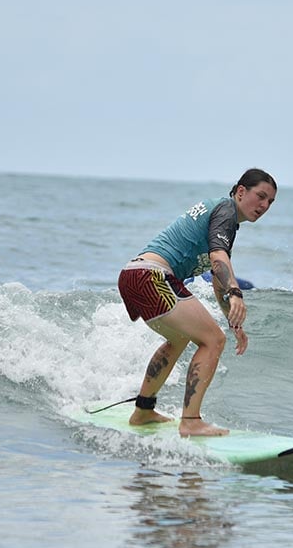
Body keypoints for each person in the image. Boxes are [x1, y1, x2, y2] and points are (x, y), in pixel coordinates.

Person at [117, 168, 277, 437]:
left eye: (270, 202)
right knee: (213, 340)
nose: (264, 206)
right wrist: (236, 293)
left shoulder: (221, 217)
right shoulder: (226, 211)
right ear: (241, 191)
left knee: (179, 339)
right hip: (153, 276)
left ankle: (143, 411)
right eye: (260, 196)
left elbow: (217, 275)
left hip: (133, 275)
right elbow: (218, 258)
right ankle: (191, 421)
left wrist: (232, 319)